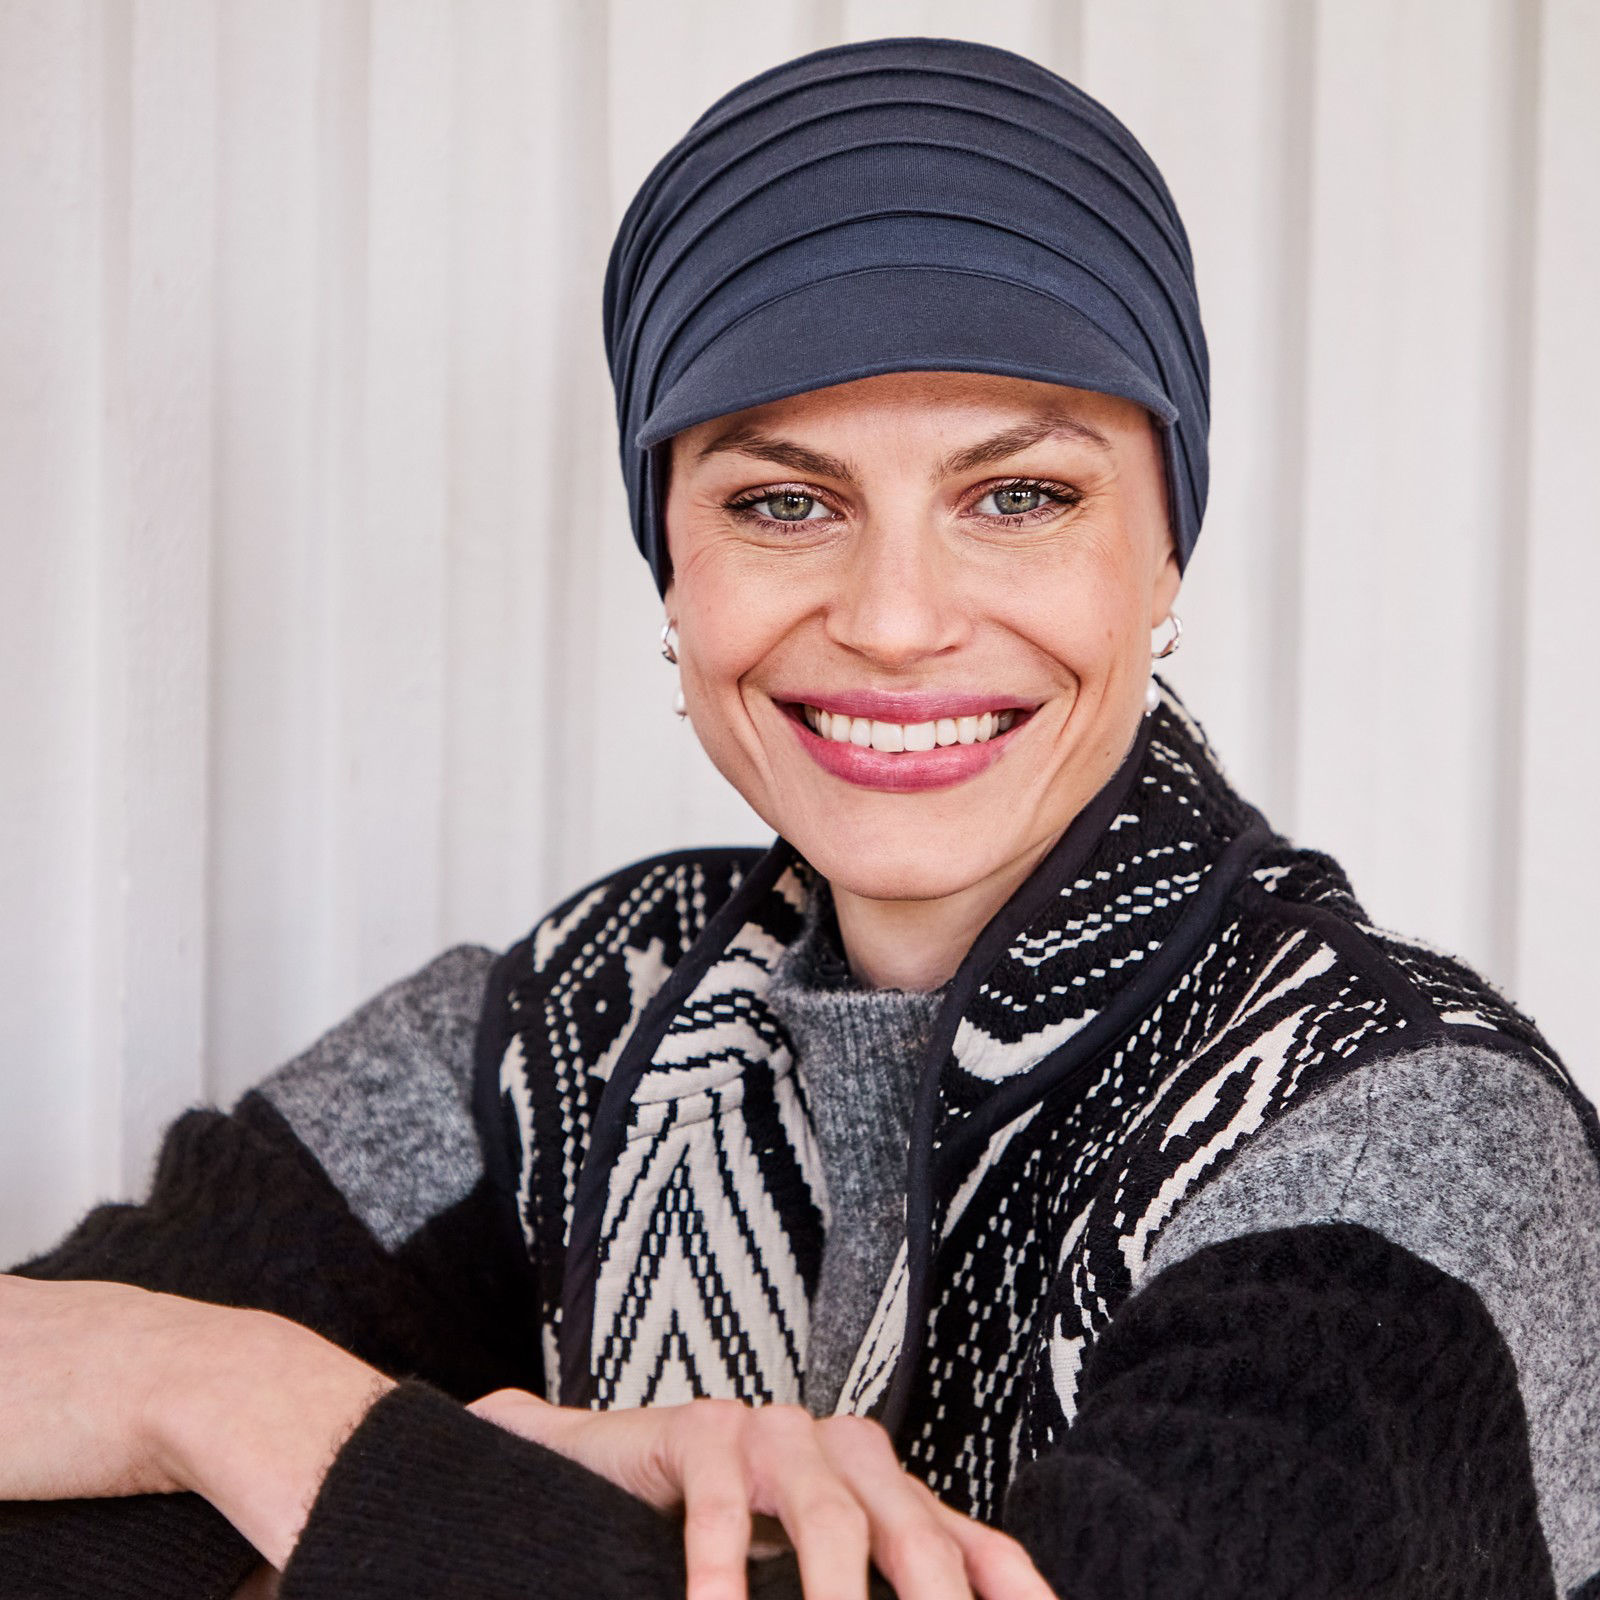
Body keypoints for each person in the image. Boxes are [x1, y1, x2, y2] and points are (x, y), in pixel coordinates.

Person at [3, 35, 1597, 1600]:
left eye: (1019, 495)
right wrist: (192, 1383)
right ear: (671, 565)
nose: (896, 621)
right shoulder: (568, 1027)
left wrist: (297, 1430)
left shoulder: (1409, 1128)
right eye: (782, 502)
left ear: (1168, 546)